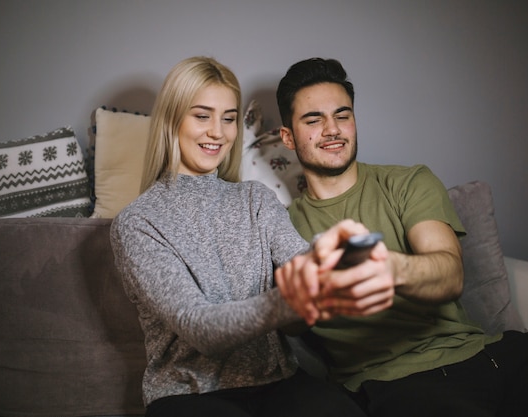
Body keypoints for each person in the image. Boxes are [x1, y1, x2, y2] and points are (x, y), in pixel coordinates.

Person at [274, 57, 528, 416]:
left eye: (342, 115)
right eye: (314, 120)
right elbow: (288, 321)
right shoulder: (280, 226)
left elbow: (449, 274)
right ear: (288, 138)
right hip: (395, 384)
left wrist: (386, 268)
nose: (332, 129)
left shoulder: (407, 182)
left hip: (486, 356)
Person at [109, 56, 368, 417]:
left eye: (228, 118)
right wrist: (295, 295)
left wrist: (329, 266)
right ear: (171, 119)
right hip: (188, 395)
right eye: (202, 116)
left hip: (277, 382)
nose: (218, 132)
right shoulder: (138, 222)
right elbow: (199, 328)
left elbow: (300, 271)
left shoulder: (256, 198)